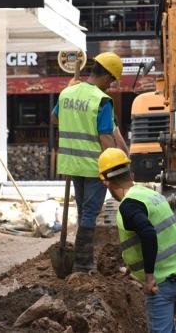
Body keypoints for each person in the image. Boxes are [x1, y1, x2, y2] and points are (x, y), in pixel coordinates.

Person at [98, 148, 176, 333]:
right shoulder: (150, 194)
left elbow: (148, 234)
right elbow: (157, 231)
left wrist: (149, 278)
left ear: (106, 183)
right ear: (131, 175)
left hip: (163, 281)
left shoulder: (128, 206)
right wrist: (133, 267)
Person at [51, 52, 127, 272]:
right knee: (91, 212)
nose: (110, 86)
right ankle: (83, 262)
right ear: (107, 76)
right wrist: (114, 168)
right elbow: (106, 137)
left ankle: (79, 258)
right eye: (112, 81)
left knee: (83, 210)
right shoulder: (102, 100)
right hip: (94, 166)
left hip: (72, 164)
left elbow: (55, 118)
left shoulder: (67, 92)